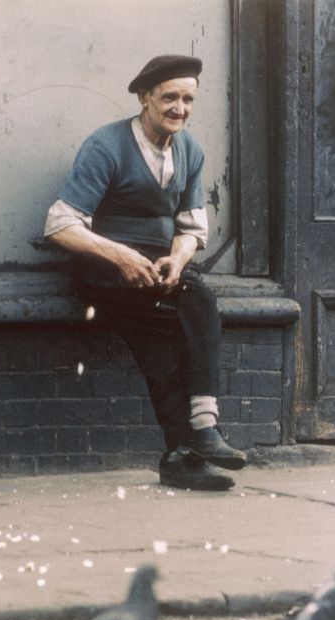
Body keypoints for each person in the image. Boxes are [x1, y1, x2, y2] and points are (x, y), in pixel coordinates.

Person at [44, 54, 247, 491]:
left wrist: (178, 259)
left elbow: (192, 227)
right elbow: (60, 224)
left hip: (156, 268)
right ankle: (203, 432)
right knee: (197, 302)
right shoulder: (107, 145)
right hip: (102, 268)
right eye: (169, 97)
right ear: (144, 98)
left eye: (188, 99)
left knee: (166, 333)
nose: (180, 108)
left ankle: (181, 454)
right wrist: (119, 256)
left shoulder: (190, 149)